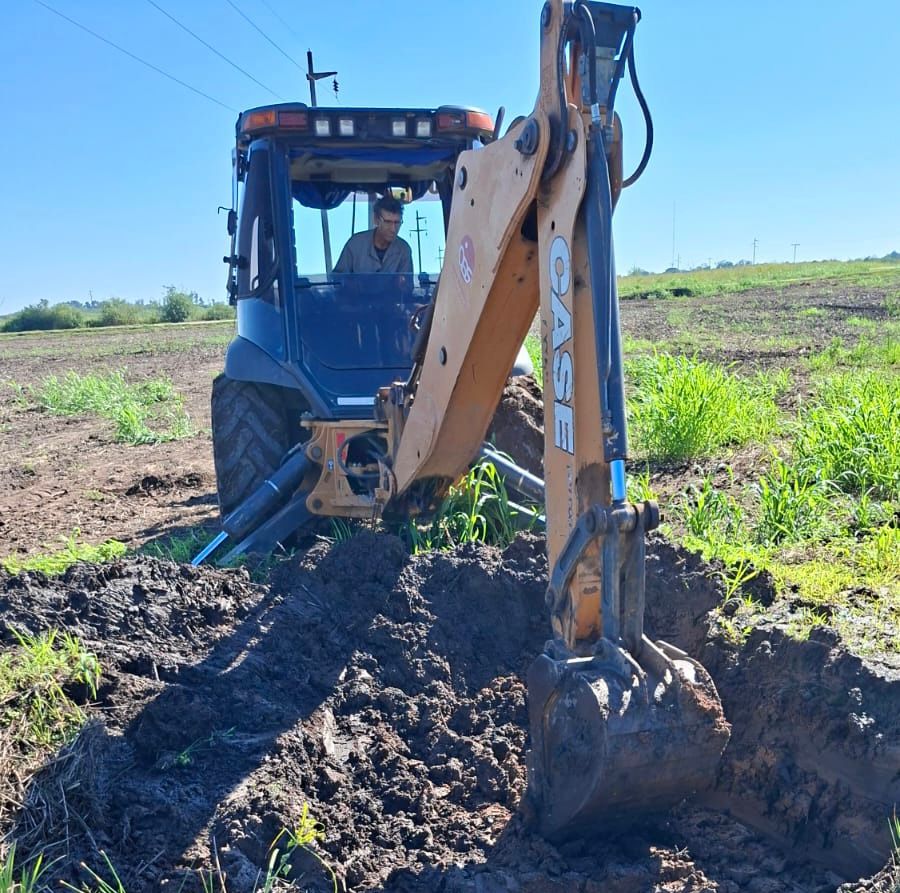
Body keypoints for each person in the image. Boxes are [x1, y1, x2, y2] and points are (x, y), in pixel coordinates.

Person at [333, 195, 414, 275]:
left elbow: (406, 282)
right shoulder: (355, 244)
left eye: (397, 223)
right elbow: (338, 279)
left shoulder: (404, 250)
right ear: (376, 219)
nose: (393, 229)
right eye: (387, 222)